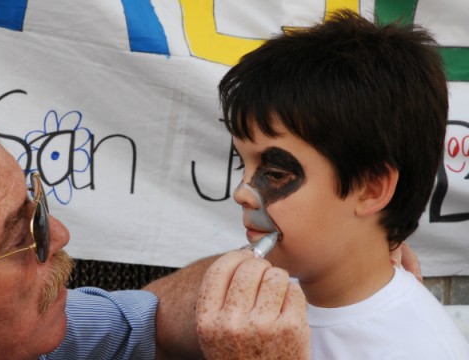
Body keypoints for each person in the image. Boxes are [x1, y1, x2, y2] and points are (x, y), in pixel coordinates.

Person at [0, 103, 309, 360]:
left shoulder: (9, 335)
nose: (57, 234)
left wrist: (269, 271)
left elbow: (148, 323)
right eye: (22, 237)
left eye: (36, 204)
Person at [196, 10, 469, 359]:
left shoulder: (418, 348)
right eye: (242, 163)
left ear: (370, 188)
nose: (241, 193)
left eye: (276, 174)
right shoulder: (264, 299)